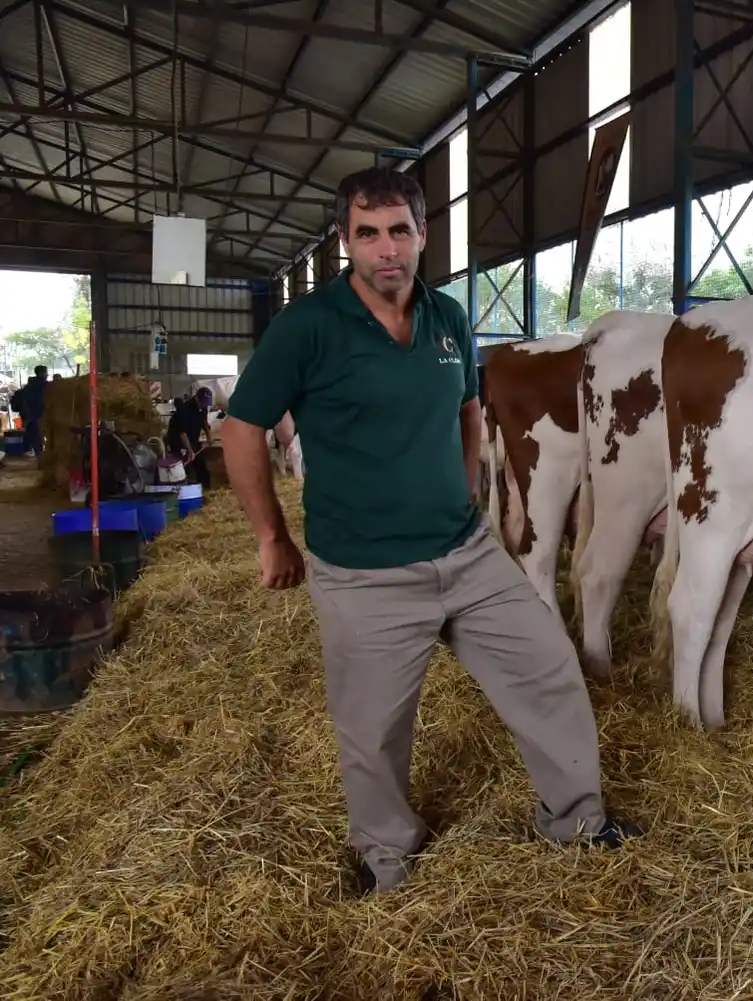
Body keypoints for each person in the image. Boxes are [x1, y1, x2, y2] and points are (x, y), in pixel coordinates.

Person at [218, 166, 641, 895]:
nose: (387, 249)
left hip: (468, 553)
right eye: (368, 234)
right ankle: (386, 856)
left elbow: (468, 406)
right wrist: (271, 536)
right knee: (374, 728)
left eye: (400, 231)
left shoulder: (446, 316)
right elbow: (241, 425)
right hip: (366, 572)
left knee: (549, 667)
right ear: (346, 241)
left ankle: (576, 820)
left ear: (423, 234)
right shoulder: (308, 327)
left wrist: (469, 486)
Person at [166, 387, 215, 489]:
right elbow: (182, 433)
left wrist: (209, 436)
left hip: (192, 439)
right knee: (184, 467)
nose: (204, 405)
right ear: (196, 398)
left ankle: (206, 489)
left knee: (201, 465)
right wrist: (190, 451)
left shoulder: (203, 407)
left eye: (206, 403)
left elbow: (204, 422)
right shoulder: (184, 410)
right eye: (203, 403)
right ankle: (182, 490)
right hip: (179, 441)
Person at [16, 365, 47, 458]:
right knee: (37, 435)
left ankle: (30, 451)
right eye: (46, 372)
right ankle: (40, 456)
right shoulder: (44, 385)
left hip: (28, 415)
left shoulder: (28, 386)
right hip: (39, 414)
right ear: (41, 373)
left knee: (32, 434)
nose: (47, 374)